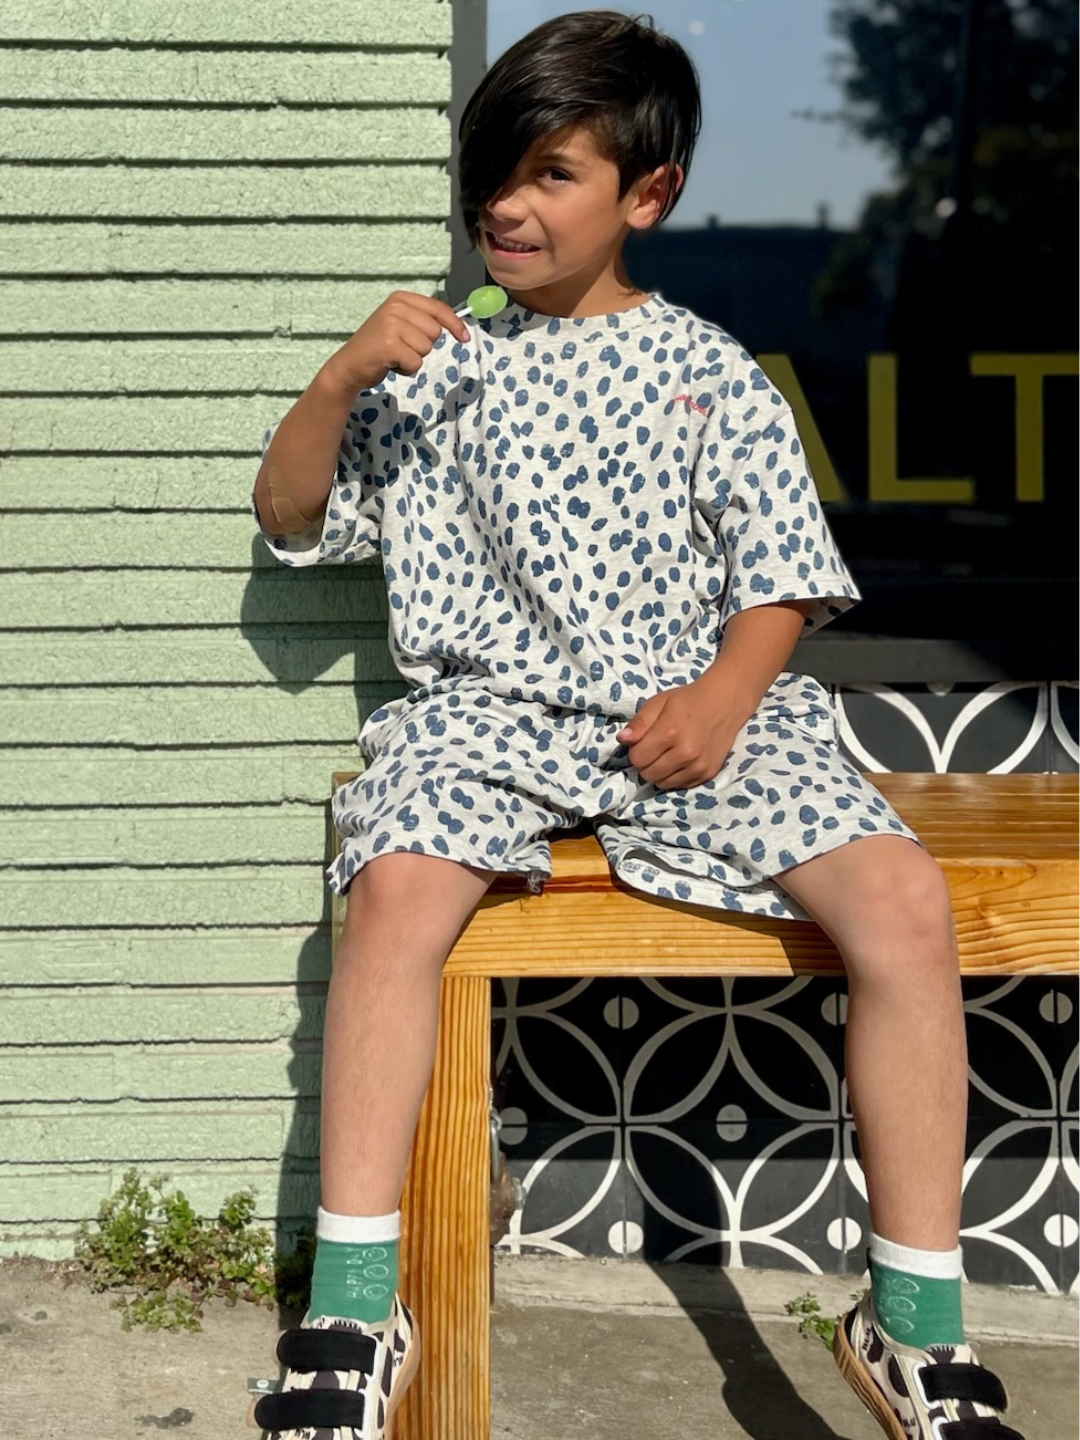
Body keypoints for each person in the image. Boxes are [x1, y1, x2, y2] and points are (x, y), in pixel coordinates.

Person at [248, 12, 1024, 1440]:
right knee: (400, 886)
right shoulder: (430, 368)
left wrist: (729, 699)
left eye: (550, 174)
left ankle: (916, 1321)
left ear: (644, 197)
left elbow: (784, 574)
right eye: (493, 173)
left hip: (696, 714)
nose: (506, 205)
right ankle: (356, 1309)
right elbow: (290, 513)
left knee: (905, 903)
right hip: (488, 720)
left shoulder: (709, 370)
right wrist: (342, 372)